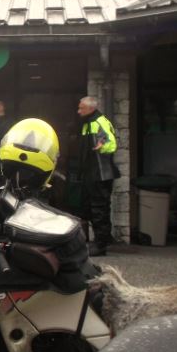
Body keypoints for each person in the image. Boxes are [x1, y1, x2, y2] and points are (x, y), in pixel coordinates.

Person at [77, 96, 120, 257]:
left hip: (101, 173)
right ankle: (101, 240)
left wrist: (102, 146)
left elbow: (112, 143)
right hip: (91, 173)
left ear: (91, 108)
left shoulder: (99, 121)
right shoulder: (87, 123)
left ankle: (101, 245)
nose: (78, 111)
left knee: (99, 209)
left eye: (81, 108)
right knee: (90, 208)